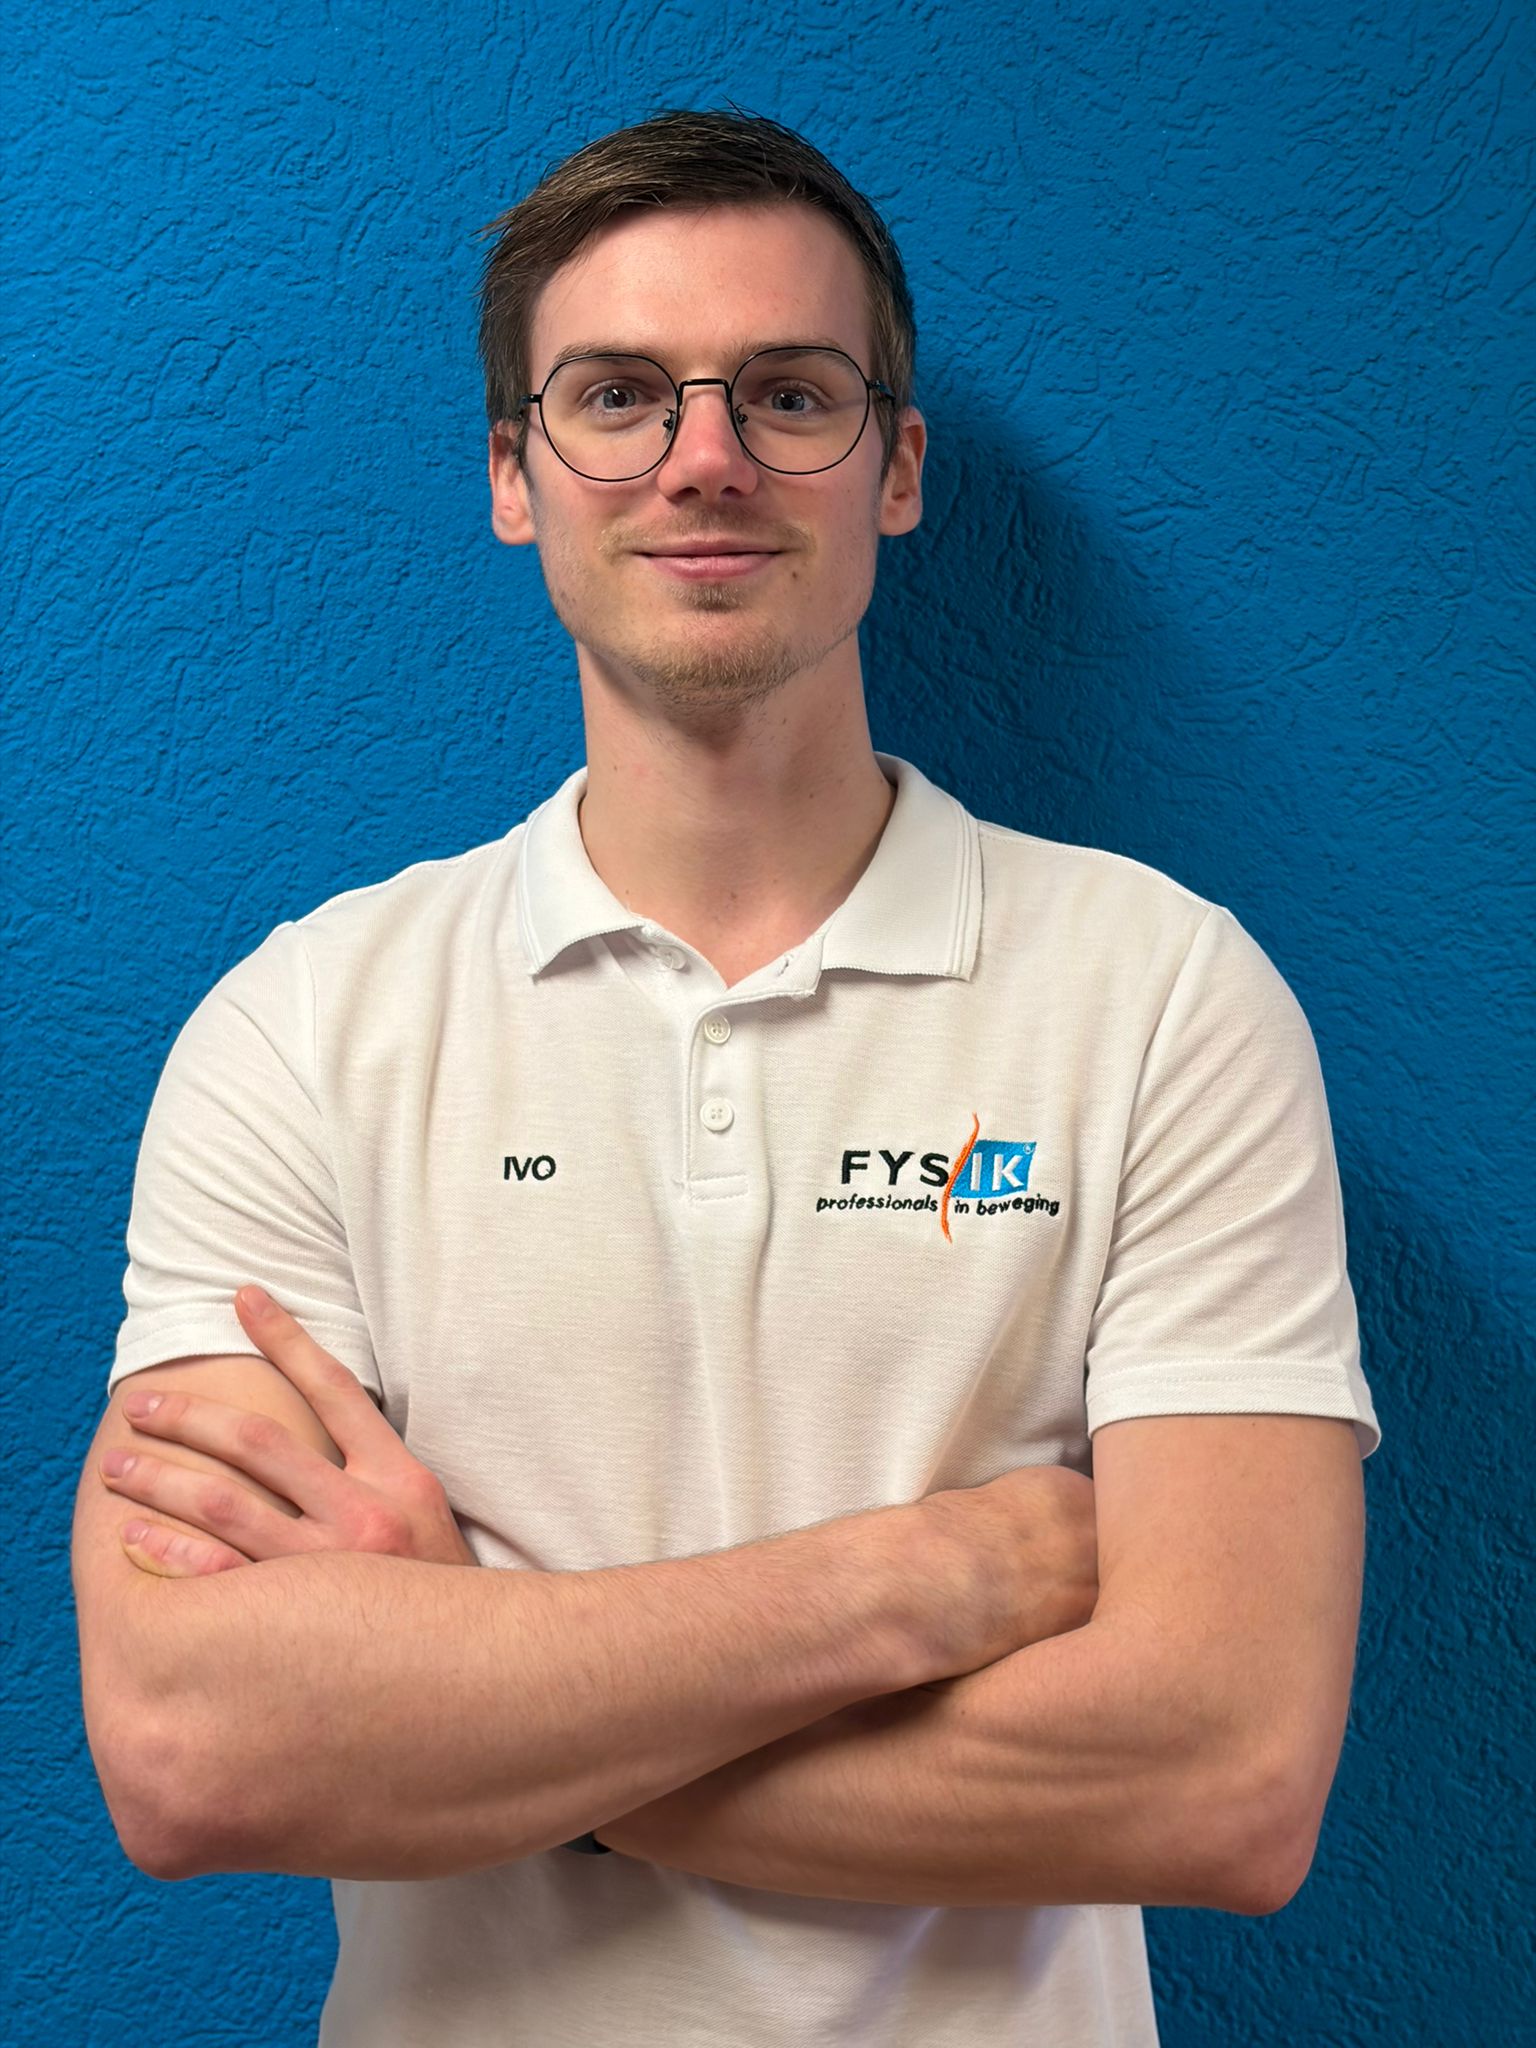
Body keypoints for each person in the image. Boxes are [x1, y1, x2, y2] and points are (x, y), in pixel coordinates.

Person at [73, 107, 1381, 2047]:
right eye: (616, 396)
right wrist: (913, 1582)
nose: (705, 459)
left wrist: (475, 1676)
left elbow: (1225, 1781)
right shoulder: (305, 1030)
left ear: (898, 468)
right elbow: (195, 1749)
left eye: (788, 394)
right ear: (514, 473)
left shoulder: (1164, 999)